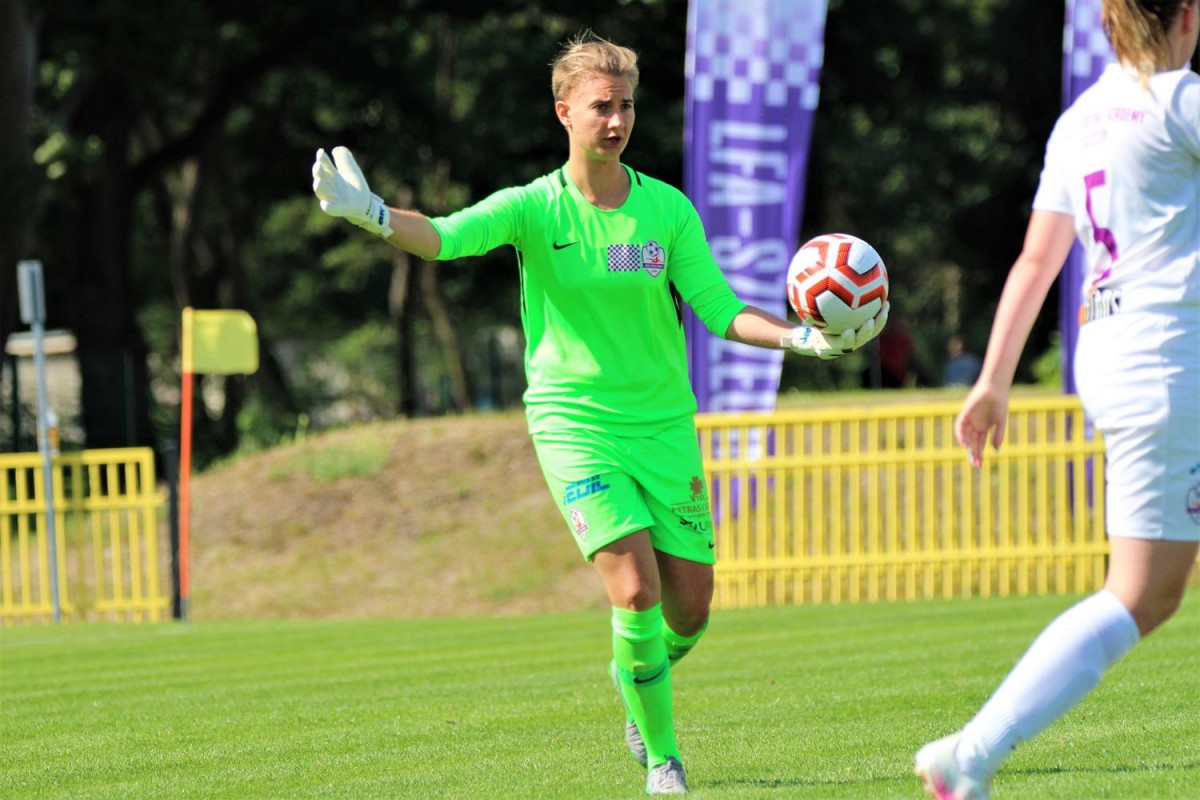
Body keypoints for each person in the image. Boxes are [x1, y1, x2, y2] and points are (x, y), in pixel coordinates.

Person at [312, 32, 888, 796]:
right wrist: (375, 213)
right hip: (574, 424)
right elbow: (446, 237)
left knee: (691, 611)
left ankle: (636, 673)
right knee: (635, 590)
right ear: (564, 113)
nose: (616, 121)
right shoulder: (532, 207)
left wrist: (799, 339)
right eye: (600, 107)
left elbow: (718, 309)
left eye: (626, 107)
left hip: (664, 425)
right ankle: (664, 760)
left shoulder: (666, 210)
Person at [914, 1, 1200, 798]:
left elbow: (1037, 261)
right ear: (1185, 16)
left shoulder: (1081, 120)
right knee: (1141, 593)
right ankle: (970, 754)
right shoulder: (1181, 100)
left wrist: (993, 380)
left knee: (1150, 589)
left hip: (1113, 350)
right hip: (1168, 355)